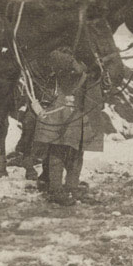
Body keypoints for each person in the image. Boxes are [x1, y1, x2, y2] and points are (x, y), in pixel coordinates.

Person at [31, 46, 107, 207]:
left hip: (82, 105)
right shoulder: (61, 41)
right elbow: (58, 59)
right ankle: (55, 189)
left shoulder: (87, 44)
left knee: (78, 149)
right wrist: (83, 65)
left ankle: (72, 186)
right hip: (62, 102)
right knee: (58, 148)